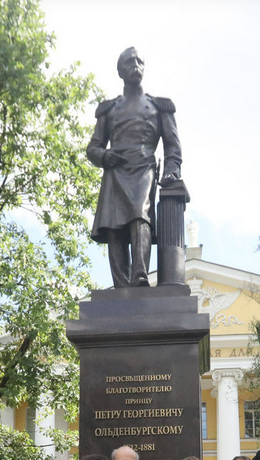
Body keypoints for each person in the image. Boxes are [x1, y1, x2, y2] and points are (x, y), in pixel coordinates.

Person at [86, 46, 182, 289]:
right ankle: (120, 285)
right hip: (115, 171)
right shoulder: (109, 110)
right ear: (120, 71)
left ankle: (139, 275)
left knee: (141, 216)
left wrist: (172, 170)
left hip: (144, 169)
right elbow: (93, 147)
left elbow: (172, 147)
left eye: (139, 62)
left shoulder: (159, 107)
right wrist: (104, 156)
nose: (135, 67)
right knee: (113, 227)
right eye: (130, 63)